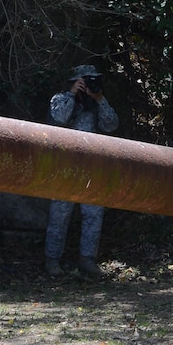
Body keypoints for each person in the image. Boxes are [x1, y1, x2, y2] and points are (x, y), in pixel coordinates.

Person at [45, 63, 119, 279]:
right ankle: (52, 261)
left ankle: (88, 260)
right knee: (59, 215)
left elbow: (111, 125)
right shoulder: (60, 99)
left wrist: (99, 99)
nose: (90, 84)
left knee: (94, 213)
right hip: (65, 168)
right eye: (86, 81)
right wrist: (72, 94)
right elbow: (58, 118)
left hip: (91, 168)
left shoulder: (96, 103)